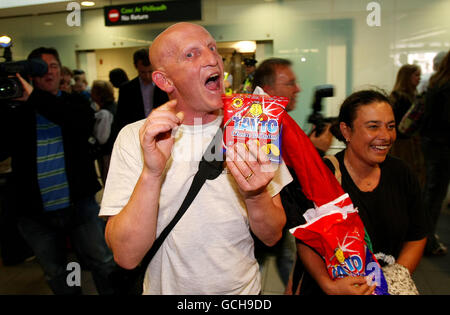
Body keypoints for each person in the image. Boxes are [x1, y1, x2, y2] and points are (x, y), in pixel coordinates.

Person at [100, 22, 293, 294]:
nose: (212, 58)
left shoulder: (252, 126)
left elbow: (272, 236)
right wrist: (152, 173)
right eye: (191, 54)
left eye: (212, 48)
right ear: (164, 81)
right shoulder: (135, 138)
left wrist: (256, 193)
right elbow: (126, 256)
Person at [0, 47, 117, 295]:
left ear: (60, 71)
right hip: (34, 211)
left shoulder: (75, 102)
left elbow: (80, 124)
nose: (48, 71)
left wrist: (34, 98)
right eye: (40, 67)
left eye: (53, 66)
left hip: (79, 204)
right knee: (55, 272)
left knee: (103, 262)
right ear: (29, 73)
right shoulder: (16, 110)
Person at [294, 90, 427, 295]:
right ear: (346, 131)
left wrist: (390, 282)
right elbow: (306, 241)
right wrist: (330, 286)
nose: (385, 136)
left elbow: (416, 236)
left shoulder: (401, 173)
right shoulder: (325, 175)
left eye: (390, 126)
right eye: (373, 126)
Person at [251, 57, 333, 287]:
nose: (297, 89)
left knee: (289, 262)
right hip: (262, 222)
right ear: (268, 90)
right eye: (289, 84)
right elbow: (279, 174)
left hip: (281, 217)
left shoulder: (278, 118)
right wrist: (316, 149)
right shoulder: (260, 123)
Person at [420, 50, 450, 256]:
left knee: (431, 194)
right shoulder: (446, 87)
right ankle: (427, 240)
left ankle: (424, 237)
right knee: (434, 196)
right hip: (442, 146)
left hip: (432, 144)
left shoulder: (435, 84)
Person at [113, 48, 169, 136]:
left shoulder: (166, 85)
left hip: (162, 132)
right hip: (135, 134)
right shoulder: (126, 89)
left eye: (150, 71)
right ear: (135, 66)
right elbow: (120, 118)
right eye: (142, 72)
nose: (147, 76)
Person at [389, 64, 426, 186]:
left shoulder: (414, 96)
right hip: (402, 143)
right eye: (416, 75)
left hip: (410, 142)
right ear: (406, 77)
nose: (419, 78)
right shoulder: (399, 98)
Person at [91, 80, 117, 185]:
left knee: (109, 184)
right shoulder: (114, 106)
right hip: (113, 151)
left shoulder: (104, 113)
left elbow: (102, 138)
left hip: (107, 154)